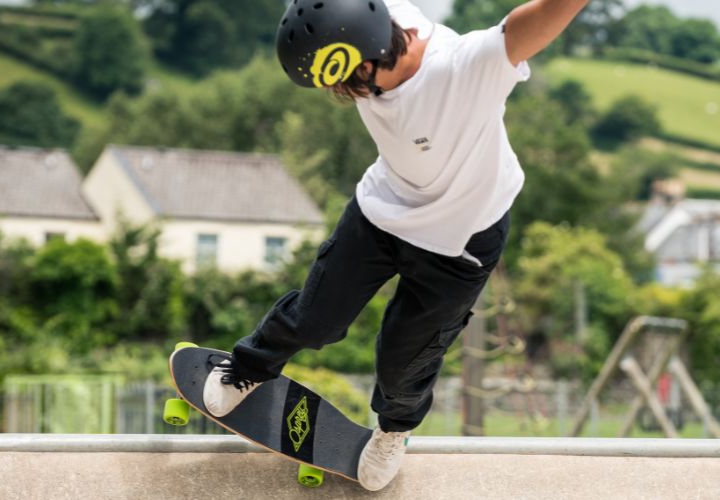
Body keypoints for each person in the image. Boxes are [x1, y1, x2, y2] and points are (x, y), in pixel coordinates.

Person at [204, 0, 589, 491]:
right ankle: (247, 366)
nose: (342, 95)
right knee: (316, 318)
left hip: (460, 238)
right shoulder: (371, 16)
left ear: (367, 60)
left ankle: (392, 432)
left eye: (344, 84)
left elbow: (529, 24)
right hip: (382, 211)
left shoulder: (466, 66)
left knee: (404, 361)